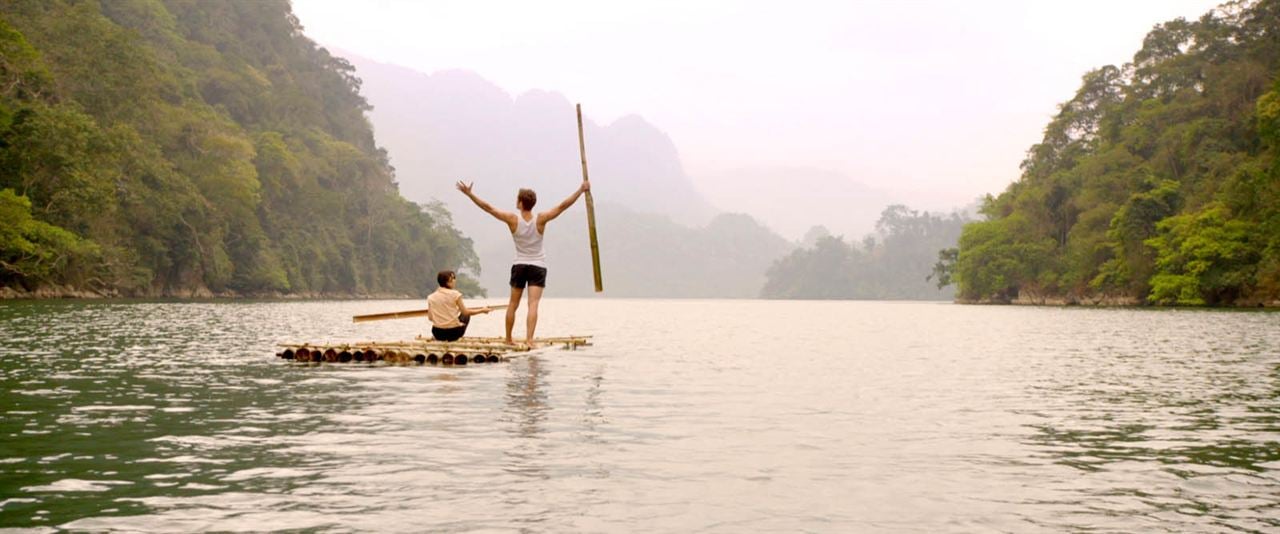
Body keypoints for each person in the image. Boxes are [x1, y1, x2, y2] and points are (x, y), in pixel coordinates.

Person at [456, 179, 590, 346]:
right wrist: (581, 190)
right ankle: (529, 339)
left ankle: (508, 339)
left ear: (520, 203)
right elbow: (562, 206)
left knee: (513, 304)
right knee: (533, 304)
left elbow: (489, 208)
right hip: (537, 266)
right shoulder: (541, 219)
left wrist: (470, 195)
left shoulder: (513, 220)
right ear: (532, 204)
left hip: (520, 265)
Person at [427, 270, 493, 342]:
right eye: (453, 279)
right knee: (465, 316)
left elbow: (430, 318)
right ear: (448, 282)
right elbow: (465, 312)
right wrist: (482, 310)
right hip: (454, 333)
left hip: (438, 333)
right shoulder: (455, 294)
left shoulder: (431, 297)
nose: (455, 281)